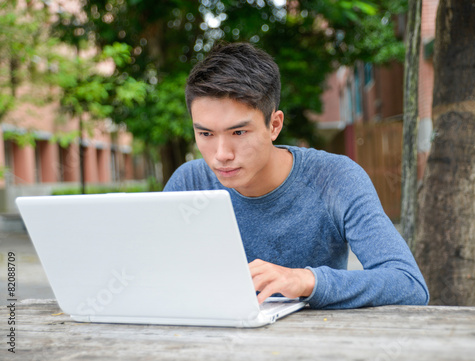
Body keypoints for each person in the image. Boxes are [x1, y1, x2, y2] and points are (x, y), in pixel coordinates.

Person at [164, 42, 429, 309]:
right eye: (206, 134)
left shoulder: (335, 179)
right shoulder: (190, 184)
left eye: (239, 132)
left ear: (274, 125)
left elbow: (409, 285)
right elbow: (151, 274)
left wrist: (307, 281)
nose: (221, 154)